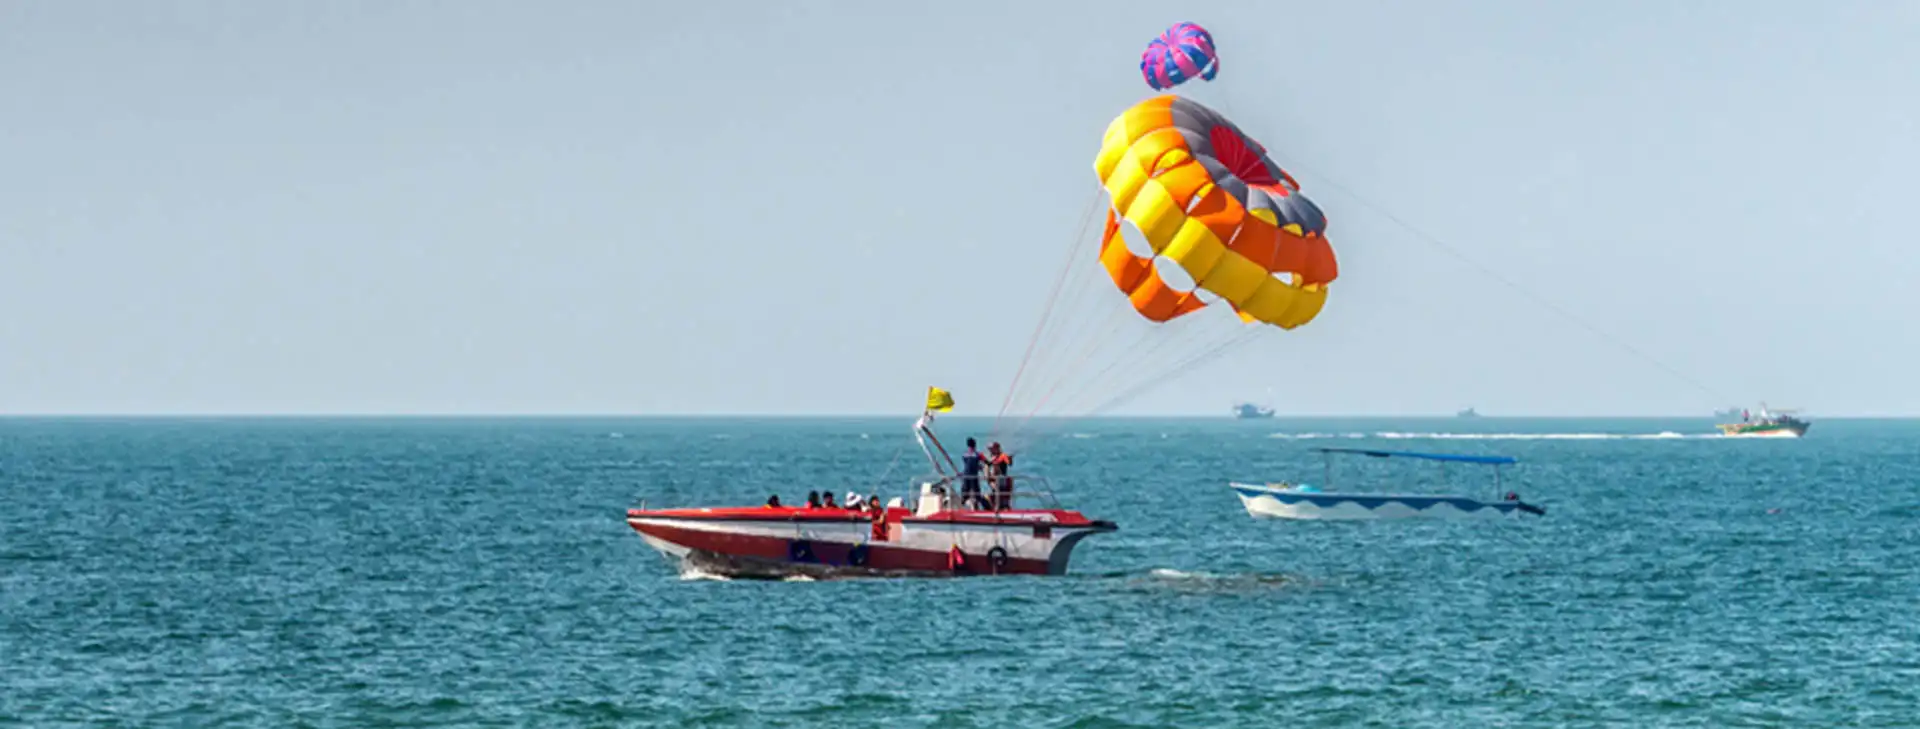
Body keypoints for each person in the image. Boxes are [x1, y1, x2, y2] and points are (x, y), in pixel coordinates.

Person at [987, 442, 1013, 511]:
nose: (991, 451)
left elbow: (1009, 463)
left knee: (1001, 495)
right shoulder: (992, 457)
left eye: (992, 449)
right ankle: (996, 507)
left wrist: (1010, 459)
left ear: (997, 448)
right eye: (990, 449)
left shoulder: (1003, 456)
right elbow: (987, 465)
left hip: (1001, 478)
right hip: (994, 479)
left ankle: (1000, 507)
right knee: (993, 495)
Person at [960, 438, 985, 509]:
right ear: (975, 445)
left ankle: (962, 507)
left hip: (966, 476)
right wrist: (980, 467)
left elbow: (968, 464)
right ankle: (986, 507)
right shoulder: (979, 455)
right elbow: (986, 462)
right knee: (977, 494)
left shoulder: (964, 455)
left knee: (965, 494)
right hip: (973, 476)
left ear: (968, 445)